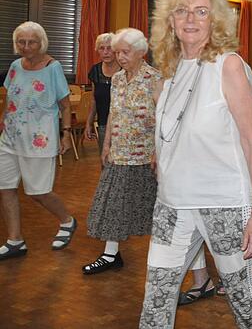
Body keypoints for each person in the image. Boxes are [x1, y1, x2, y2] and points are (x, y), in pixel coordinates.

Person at [139, 0, 252, 329]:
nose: (191, 19)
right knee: (156, 301)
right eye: (182, 11)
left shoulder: (228, 66)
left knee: (243, 299)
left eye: (201, 11)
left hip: (224, 203)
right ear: (170, 21)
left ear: (216, 21)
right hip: (172, 204)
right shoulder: (168, 73)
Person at [83, 28, 160, 274]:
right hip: (119, 153)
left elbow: (163, 119)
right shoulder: (116, 79)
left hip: (145, 157)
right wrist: (106, 145)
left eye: (125, 52)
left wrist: (158, 153)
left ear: (141, 51)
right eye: (117, 53)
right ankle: (110, 254)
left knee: (150, 207)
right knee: (113, 203)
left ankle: (163, 259)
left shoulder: (155, 79)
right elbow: (113, 113)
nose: (120, 57)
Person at [0, 21, 76, 260]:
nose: (26, 46)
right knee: (6, 188)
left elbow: (64, 105)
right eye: (21, 42)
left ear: (41, 42)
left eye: (31, 42)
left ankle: (67, 220)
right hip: (10, 137)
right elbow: (9, 98)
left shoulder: (52, 67)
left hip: (39, 139)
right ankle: (15, 240)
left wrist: (66, 133)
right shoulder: (15, 66)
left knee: (37, 192)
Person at [85, 32, 120, 155]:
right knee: (105, 163)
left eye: (109, 48)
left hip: (123, 126)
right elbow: (94, 99)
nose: (105, 52)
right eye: (102, 48)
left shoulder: (125, 70)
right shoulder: (95, 70)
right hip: (103, 125)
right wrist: (88, 123)